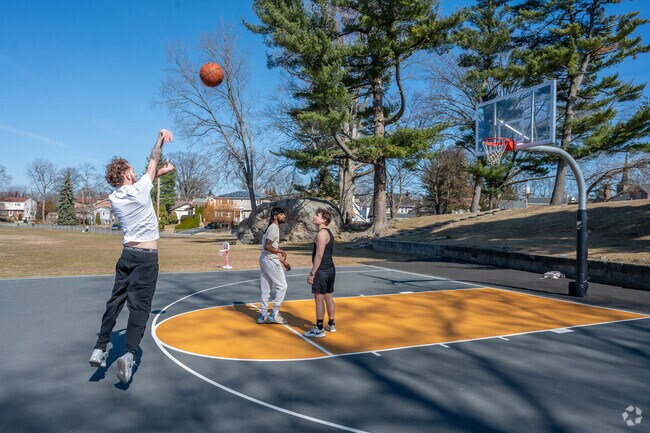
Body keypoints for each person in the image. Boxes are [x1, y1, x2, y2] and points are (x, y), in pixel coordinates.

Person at [89, 129, 176, 384]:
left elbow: (147, 176)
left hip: (127, 255)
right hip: (147, 258)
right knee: (139, 308)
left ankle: (100, 346)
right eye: (131, 170)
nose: (135, 172)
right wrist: (160, 139)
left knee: (115, 301)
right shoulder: (139, 189)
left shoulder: (113, 197)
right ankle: (128, 355)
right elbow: (153, 158)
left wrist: (162, 171)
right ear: (127, 173)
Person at [304, 208, 336, 338]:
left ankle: (319, 328)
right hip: (330, 269)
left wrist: (312, 274)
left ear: (323, 220)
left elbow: (319, 255)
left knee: (319, 299)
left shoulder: (322, 234)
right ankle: (331, 324)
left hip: (322, 270)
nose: (314, 217)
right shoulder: (327, 232)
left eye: (317, 215)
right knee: (328, 297)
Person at [257, 207, 291, 325]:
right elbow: (268, 246)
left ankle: (262, 315)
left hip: (264, 259)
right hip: (270, 260)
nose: (284, 216)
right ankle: (274, 314)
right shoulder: (274, 228)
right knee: (282, 286)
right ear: (275, 217)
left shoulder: (270, 228)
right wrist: (281, 251)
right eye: (282, 214)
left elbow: (270, 248)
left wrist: (282, 261)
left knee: (266, 288)